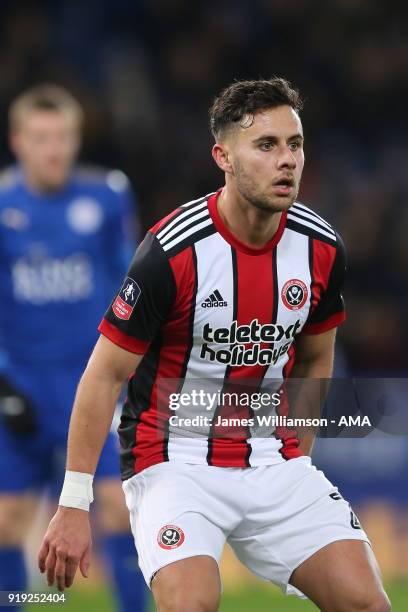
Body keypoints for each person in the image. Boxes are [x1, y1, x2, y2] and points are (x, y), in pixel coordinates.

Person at [38, 78, 391, 611]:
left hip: (272, 457)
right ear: (223, 156)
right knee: (192, 605)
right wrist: (73, 504)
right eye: (266, 146)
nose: (287, 160)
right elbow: (104, 375)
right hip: (172, 459)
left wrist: (295, 455)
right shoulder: (172, 251)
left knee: (367, 603)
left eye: (294, 144)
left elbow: (317, 356)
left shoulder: (321, 247)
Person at [0, 84, 148, 611]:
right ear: (19, 141)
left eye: (63, 136)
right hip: (19, 383)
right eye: (42, 137)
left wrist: (131, 364)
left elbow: (126, 285)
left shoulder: (106, 196)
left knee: (115, 508)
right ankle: (16, 602)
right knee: (6, 521)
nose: (54, 148)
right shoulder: (2, 205)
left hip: (89, 382)